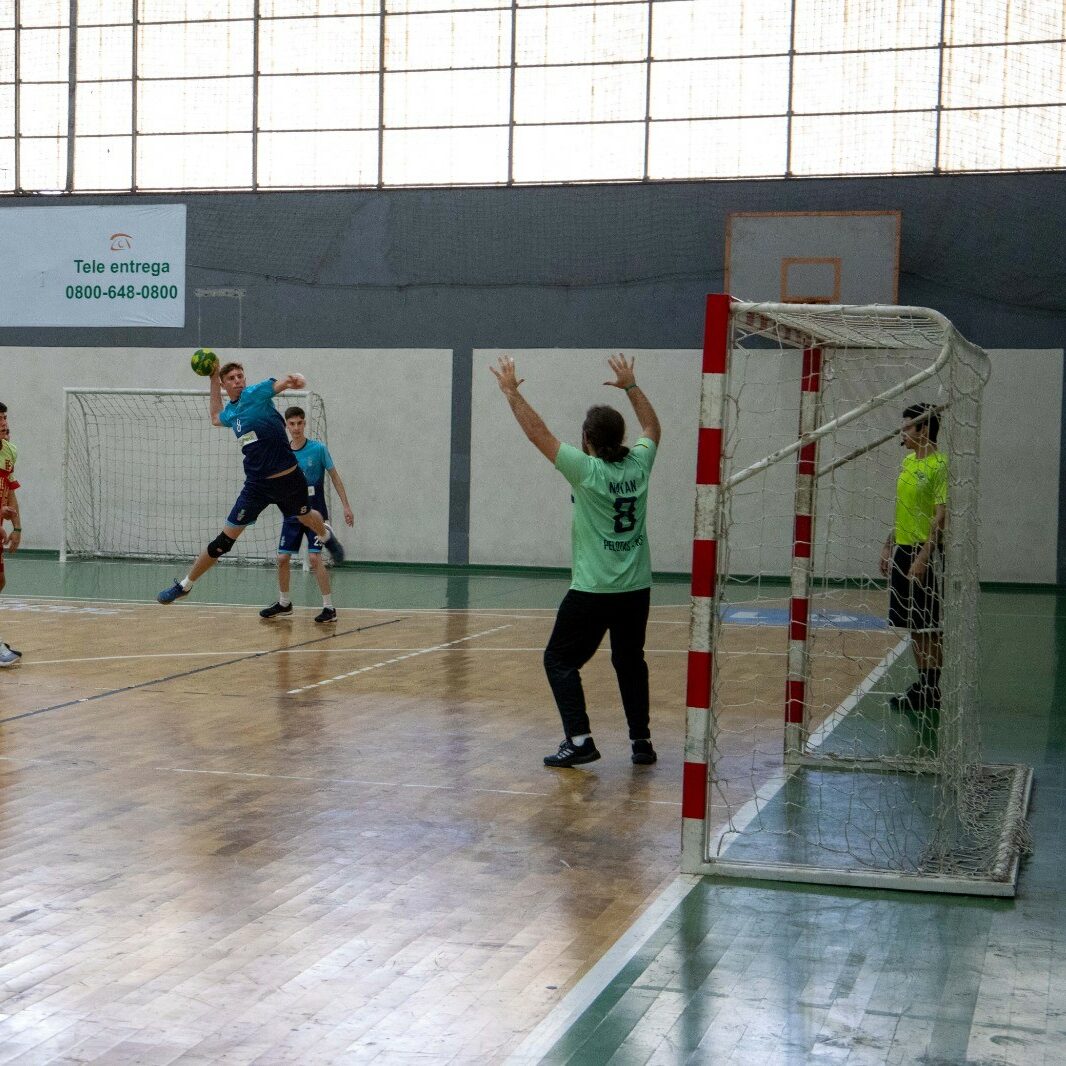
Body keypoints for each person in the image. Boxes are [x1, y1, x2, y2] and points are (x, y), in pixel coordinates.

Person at [490, 353, 662, 768]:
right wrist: (631, 387)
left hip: (593, 591)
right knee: (629, 661)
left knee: (558, 660)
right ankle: (641, 743)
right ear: (620, 437)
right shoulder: (640, 463)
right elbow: (652, 428)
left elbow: (538, 434)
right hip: (636, 588)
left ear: (586, 439)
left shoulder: (585, 470)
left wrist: (511, 393)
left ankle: (580, 739)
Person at [158, 362, 344, 604]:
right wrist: (213, 378)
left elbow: (283, 383)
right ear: (225, 384)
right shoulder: (231, 414)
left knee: (306, 516)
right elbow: (215, 417)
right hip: (257, 486)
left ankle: (326, 535)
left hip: (289, 479)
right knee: (222, 543)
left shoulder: (255, 394)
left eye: (240, 376)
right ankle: (185, 585)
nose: (237, 380)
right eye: (232, 378)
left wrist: (295, 378)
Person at [880, 402, 946, 713]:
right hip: (903, 550)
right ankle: (923, 684)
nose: (902, 432)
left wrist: (923, 557)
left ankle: (933, 689)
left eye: (908, 426)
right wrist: (889, 543)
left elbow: (940, 516)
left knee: (929, 625)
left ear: (924, 429)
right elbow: (905, 510)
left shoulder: (940, 465)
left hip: (925, 553)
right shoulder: (907, 463)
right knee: (914, 625)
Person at [260, 406, 354, 624]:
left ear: (304, 424)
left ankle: (329, 608)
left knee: (314, 558)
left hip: (315, 514)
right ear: (286, 426)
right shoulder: (283, 453)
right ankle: (284, 603)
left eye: (299, 423)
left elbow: (335, 478)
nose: (296, 428)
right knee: (282, 558)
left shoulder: (318, 449)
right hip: (292, 515)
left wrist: (346, 507)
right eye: (291, 424)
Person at [0, 401, 22, 667]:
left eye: (5, 417)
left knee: (1, 581)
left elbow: (11, 491)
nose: (4, 423)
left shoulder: (9, 451)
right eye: (0, 419)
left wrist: (16, 527)